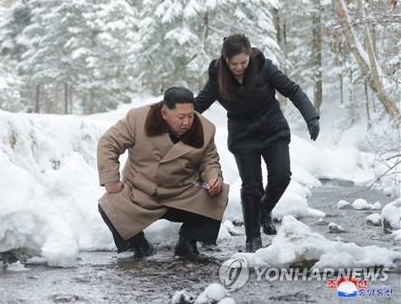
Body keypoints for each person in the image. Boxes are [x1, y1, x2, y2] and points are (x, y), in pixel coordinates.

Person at [194, 34, 320, 253]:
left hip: (273, 130)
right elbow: (199, 104)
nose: (239, 67)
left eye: (243, 62)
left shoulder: (264, 67)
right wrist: (176, 122)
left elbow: (292, 90)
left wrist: (311, 117)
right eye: (234, 63)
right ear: (225, 60)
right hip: (243, 136)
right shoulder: (218, 77)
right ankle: (253, 238)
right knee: (251, 186)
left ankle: (262, 211)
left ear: (250, 55)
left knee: (281, 176)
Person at [97, 86, 229, 259]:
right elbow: (108, 143)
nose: (187, 122)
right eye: (181, 117)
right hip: (141, 191)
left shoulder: (205, 128)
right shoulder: (138, 118)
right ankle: (140, 245)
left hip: (182, 193)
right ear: (164, 113)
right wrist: (111, 181)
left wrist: (213, 179)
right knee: (108, 205)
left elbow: (209, 161)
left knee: (218, 196)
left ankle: (187, 243)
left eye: (190, 115)